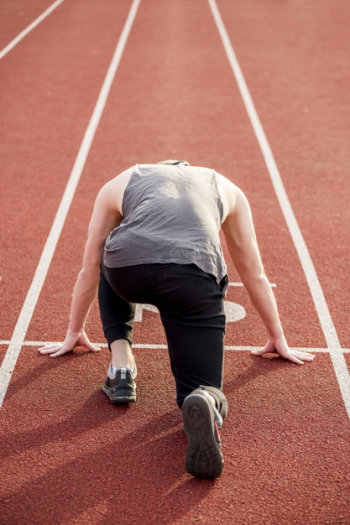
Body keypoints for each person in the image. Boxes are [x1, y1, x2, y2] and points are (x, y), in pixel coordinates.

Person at [39, 161, 314, 479]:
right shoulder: (226, 187)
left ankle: (121, 366)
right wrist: (276, 335)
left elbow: (89, 268)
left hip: (127, 270)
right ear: (188, 169)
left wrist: (74, 331)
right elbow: (255, 273)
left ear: (158, 169)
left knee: (106, 256)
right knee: (203, 390)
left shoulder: (123, 179)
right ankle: (203, 399)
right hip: (191, 275)